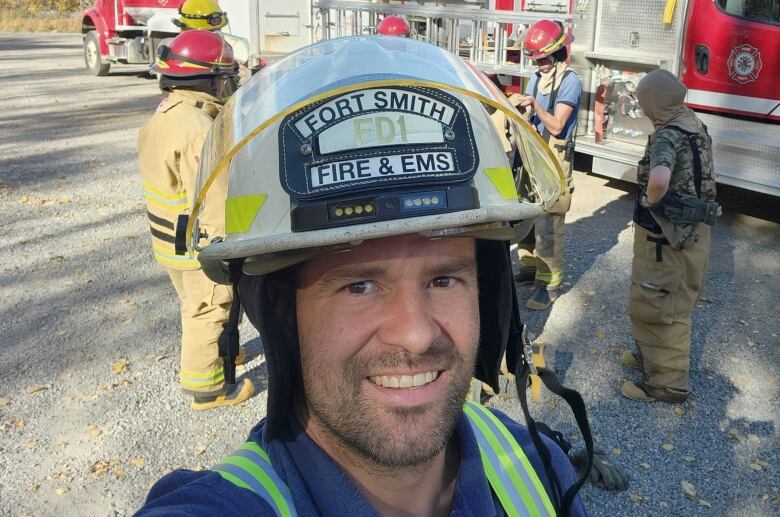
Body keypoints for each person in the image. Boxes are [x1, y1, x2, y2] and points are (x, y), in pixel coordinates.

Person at [136, 36, 591, 516]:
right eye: (360, 285)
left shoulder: (538, 471)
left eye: (444, 280)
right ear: (281, 316)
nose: (416, 335)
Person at [138, 29, 253, 411]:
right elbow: (214, 194)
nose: (228, 84)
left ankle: (225, 354)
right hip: (195, 241)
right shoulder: (197, 129)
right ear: (207, 79)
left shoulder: (169, 113)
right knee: (209, 306)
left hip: (169, 237)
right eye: (224, 78)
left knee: (194, 301)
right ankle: (208, 389)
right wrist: (227, 244)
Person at [622, 69, 719, 403]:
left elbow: (660, 179)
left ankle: (666, 384)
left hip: (670, 237)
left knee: (661, 302)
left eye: (643, 101)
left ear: (654, 103)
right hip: (694, 232)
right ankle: (652, 358)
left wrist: (651, 199)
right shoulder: (692, 122)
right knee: (660, 298)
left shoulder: (667, 135)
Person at [513, 20, 582, 310]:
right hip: (531, 154)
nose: (540, 64)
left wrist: (536, 105)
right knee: (526, 213)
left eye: (544, 59)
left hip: (554, 160)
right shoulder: (535, 77)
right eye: (536, 60)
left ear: (558, 53)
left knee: (548, 223)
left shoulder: (571, 82)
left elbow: (556, 126)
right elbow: (531, 117)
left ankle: (548, 286)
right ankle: (529, 268)